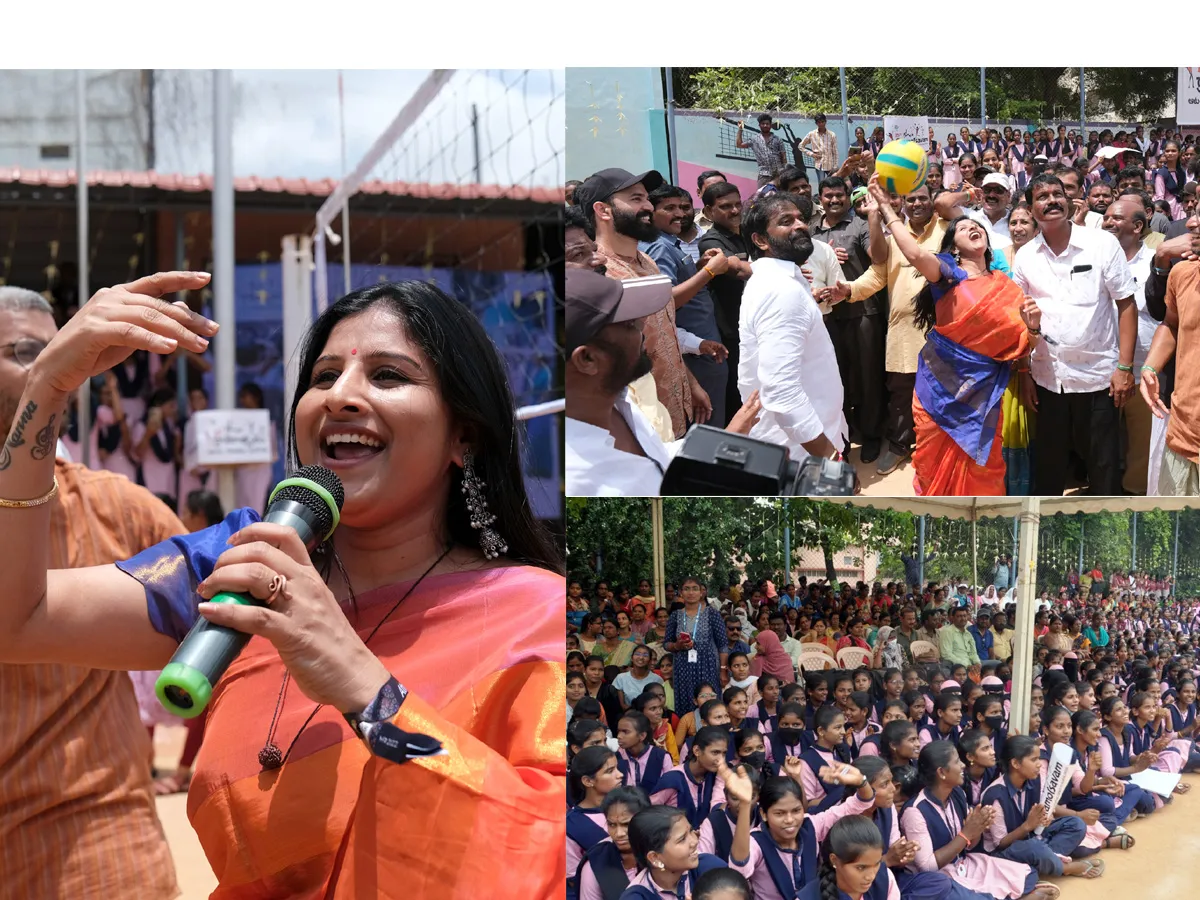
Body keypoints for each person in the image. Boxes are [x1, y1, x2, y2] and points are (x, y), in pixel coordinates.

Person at [0, 274, 566, 897]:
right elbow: (18, 619)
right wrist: (47, 390)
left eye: (387, 376)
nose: (341, 396)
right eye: (323, 378)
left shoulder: (533, 617)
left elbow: (551, 849)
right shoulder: (239, 564)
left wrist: (367, 690)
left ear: (464, 435)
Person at [0, 283, 184, 898]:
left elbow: (234, 640)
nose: (55, 364)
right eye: (26, 351)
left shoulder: (124, 511)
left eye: (59, 350)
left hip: (98, 858)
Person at [869, 176, 1042, 495]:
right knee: (934, 468)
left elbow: (1024, 347)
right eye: (962, 228)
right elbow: (916, 255)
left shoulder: (1005, 287)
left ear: (989, 244)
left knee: (983, 470)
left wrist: (1032, 327)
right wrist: (885, 208)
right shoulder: (948, 274)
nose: (972, 228)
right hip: (938, 394)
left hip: (983, 398)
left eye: (976, 228)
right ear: (952, 248)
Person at [1012, 174, 1137, 495]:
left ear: (1069, 200)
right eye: (1042, 196)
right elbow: (1021, 321)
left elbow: (1126, 304)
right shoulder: (1026, 256)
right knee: (1049, 470)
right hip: (1048, 381)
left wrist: (1125, 367)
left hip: (1099, 381)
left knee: (1103, 469)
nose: (1052, 200)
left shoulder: (1102, 244)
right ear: (1031, 208)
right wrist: (1025, 370)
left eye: (1058, 193)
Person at [822, 179, 946, 476]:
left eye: (922, 199)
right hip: (903, 333)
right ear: (901, 203)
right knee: (901, 395)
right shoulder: (893, 241)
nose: (916, 204)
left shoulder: (946, 231)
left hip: (944, 334)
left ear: (932, 201)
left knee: (942, 394)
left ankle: (939, 452)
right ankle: (901, 446)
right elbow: (876, 275)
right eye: (910, 200)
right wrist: (848, 290)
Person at [576, 168, 706, 439]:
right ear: (603, 210)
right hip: (639, 430)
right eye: (636, 199)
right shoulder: (596, 276)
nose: (648, 206)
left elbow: (662, 336)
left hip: (675, 415)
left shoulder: (647, 262)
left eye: (647, 198)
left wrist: (689, 383)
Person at [738, 191, 850, 468]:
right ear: (761, 240)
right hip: (801, 454)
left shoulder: (783, 280)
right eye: (786, 221)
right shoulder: (780, 289)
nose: (800, 225)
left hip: (810, 438)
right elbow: (781, 391)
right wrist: (830, 461)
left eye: (800, 218)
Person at [643, 184, 731, 427]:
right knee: (708, 427)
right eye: (669, 208)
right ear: (651, 212)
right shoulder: (659, 247)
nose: (680, 214)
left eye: (683, 207)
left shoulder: (669, 242)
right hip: (696, 353)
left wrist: (699, 267)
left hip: (702, 346)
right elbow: (666, 300)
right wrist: (710, 272)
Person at [1101, 198, 1156, 493]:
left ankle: (1134, 495)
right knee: (1100, 442)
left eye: (1116, 218)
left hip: (1144, 370)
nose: (1108, 222)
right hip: (1101, 371)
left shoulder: (1157, 263)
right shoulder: (1095, 258)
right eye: (1106, 217)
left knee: (1142, 444)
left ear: (1137, 226)